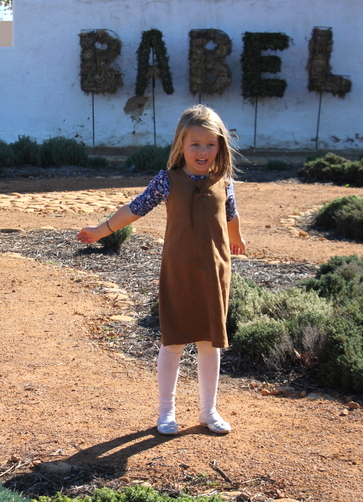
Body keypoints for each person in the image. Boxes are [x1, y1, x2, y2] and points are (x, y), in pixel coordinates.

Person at [77, 104, 246, 436]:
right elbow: (134, 209)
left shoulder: (223, 180)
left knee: (210, 343)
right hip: (179, 271)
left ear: (220, 146)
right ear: (181, 145)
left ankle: (208, 411)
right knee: (174, 341)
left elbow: (231, 215)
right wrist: (101, 230)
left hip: (214, 272)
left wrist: (237, 239)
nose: (203, 151)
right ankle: (166, 411)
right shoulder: (167, 180)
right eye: (195, 144)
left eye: (210, 144)